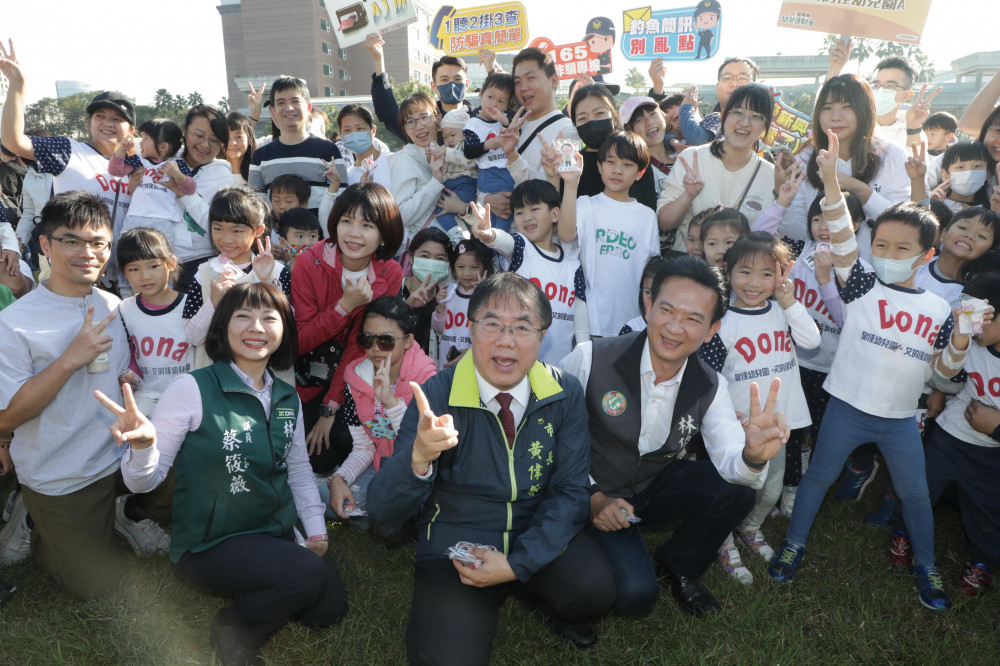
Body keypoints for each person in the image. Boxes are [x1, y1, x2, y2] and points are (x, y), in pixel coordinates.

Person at [367, 272, 617, 661]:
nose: (506, 340)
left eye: (522, 328)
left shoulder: (564, 391)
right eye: (493, 325)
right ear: (469, 328)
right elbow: (382, 510)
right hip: (459, 542)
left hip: (533, 529)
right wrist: (418, 458)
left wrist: (518, 564)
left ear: (543, 334)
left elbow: (570, 490)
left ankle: (529, 589)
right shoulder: (438, 393)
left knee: (594, 587)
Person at [769, 130, 967, 611]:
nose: (888, 255)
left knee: (916, 496)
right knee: (818, 477)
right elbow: (838, 228)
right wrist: (832, 180)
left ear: (926, 256)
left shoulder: (942, 311)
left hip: (900, 419)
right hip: (846, 407)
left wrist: (960, 341)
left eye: (903, 249)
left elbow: (943, 375)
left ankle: (927, 565)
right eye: (880, 244)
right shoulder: (860, 285)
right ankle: (794, 544)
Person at [104, 282, 348, 665]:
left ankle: (272, 576)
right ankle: (232, 629)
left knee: (328, 611)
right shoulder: (192, 388)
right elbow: (142, 482)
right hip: (209, 544)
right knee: (306, 577)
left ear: (284, 329)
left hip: (274, 532)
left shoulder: (287, 398)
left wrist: (316, 531)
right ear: (223, 326)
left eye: (269, 317)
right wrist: (142, 446)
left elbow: (299, 470)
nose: (257, 327)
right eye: (243, 316)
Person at [559, 256, 789, 617]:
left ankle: (680, 563)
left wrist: (754, 455)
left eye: (694, 319)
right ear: (649, 305)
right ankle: (582, 540)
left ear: (712, 329)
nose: (675, 328)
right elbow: (551, 436)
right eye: (667, 310)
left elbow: (733, 461)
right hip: (589, 488)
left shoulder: (711, 385)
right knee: (633, 598)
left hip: (653, 486)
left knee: (737, 490)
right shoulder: (589, 359)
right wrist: (593, 498)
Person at [0, 192, 170, 599]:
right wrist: (68, 360)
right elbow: (5, 417)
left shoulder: (112, 303)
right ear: (45, 244)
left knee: (201, 470)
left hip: (118, 456)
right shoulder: (15, 323)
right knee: (97, 588)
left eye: (99, 243)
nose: (88, 253)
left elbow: (122, 376)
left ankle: (123, 512)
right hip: (62, 474)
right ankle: (33, 518)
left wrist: (130, 381)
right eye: (72, 241)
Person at [697, 232, 820, 583]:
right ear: (728, 270)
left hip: (776, 426)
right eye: (745, 272)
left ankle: (750, 527)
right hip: (737, 428)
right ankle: (723, 541)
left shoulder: (783, 310)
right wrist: (721, 414)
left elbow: (812, 340)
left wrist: (789, 299)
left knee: (770, 487)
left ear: (781, 275)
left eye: (767, 274)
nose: (754, 283)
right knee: (730, 490)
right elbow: (709, 376)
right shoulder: (721, 320)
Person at [888, 272, 1000, 597]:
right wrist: (940, 388)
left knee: (988, 508)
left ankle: (982, 562)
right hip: (951, 437)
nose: (971, 325)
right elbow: (947, 374)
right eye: (966, 314)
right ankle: (902, 531)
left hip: (991, 453)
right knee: (921, 486)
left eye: (980, 317)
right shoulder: (972, 340)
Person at [293, 183, 404, 473]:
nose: (353, 234)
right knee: (317, 455)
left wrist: (331, 405)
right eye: (346, 221)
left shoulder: (390, 272)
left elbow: (362, 344)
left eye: (367, 225)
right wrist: (344, 307)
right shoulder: (309, 262)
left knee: (345, 439)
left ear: (384, 234)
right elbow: (300, 340)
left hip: (355, 377)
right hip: (306, 376)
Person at [1, 42, 134, 238]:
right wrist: (17, 86)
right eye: (100, 116)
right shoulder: (69, 150)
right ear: (88, 121)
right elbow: (14, 142)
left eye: (117, 119)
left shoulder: (139, 163)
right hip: (79, 263)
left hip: (128, 265)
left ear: (131, 129)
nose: (107, 123)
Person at [324, 297, 437, 524]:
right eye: (367, 339)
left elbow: (425, 446)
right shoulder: (354, 380)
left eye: (386, 340)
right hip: (381, 468)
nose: (375, 348)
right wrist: (339, 479)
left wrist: (391, 402)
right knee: (327, 499)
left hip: (420, 473)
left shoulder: (427, 378)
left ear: (408, 341)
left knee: (383, 510)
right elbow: (365, 447)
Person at [778, 75, 911, 263]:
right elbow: (797, 231)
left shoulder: (892, 156)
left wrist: (860, 189)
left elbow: (903, 224)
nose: (835, 117)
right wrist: (782, 194)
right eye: (827, 108)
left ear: (865, 110)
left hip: (873, 272)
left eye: (847, 107)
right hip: (818, 275)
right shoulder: (806, 157)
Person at [557, 131, 660, 337]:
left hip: (632, 322)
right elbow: (566, 235)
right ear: (599, 166)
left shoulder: (647, 216)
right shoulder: (586, 205)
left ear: (640, 173)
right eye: (611, 162)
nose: (617, 170)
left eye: (628, 165)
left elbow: (652, 273)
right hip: (590, 321)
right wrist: (570, 183)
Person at [474, 180, 588, 364]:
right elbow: (503, 241)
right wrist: (488, 234)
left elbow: (580, 308)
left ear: (555, 214)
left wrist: (585, 350)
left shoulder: (571, 261)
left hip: (561, 368)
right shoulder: (521, 246)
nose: (526, 217)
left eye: (534, 209)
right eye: (519, 213)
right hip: (517, 364)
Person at [657, 84, 780, 254]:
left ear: (765, 127)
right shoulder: (693, 158)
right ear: (723, 117)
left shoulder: (772, 175)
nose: (745, 123)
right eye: (737, 112)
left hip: (740, 276)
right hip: (690, 270)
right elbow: (664, 222)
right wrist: (688, 195)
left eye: (756, 116)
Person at [182, 186, 289, 372]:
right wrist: (213, 302)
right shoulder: (204, 273)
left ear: (258, 230)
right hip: (217, 379)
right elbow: (192, 337)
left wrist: (266, 285)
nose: (226, 239)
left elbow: (289, 327)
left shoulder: (277, 272)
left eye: (237, 231)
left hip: (267, 376)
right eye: (218, 228)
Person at [116, 227, 195, 417]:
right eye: (134, 269)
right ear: (124, 273)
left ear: (171, 263)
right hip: (146, 398)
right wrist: (129, 375)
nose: (145, 276)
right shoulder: (125, 309)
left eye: (153, 266)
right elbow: (131, 354)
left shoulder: (190, 305)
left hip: (189, 395)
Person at [493, 47, 579, 214]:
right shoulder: (515, 126)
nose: (523, 87)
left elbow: (550, 190)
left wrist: (512, 156)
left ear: (553, 81)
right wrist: (487, 198)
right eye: (517, 82)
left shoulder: (568, 132)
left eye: (531, 78)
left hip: (540, 235)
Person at [164, 105, 238, 291]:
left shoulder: (223, 177)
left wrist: (184, 193)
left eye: (214, 140)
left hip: (202, 264)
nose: (205, 145)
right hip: (157, 263)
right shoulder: (161, 162)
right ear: (185, 131)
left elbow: (218, 226)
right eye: (198, 136)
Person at [248, 76, 345, 213]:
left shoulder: (329, 151)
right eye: (281, 103)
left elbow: (342, 202)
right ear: (272, 111)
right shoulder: (260, 157)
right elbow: (256, 208)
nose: (289, 108)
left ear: (308, 108)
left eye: (295, 101)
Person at [825, 45, 939, 151]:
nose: (880, 90)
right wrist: (835, 69)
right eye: (876, 84)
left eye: (890, 86)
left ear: (906, 95)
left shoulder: (912, 131)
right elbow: (826, 107)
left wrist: (912, 127)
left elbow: (914, 168)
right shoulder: (854, 123)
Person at [366, 33, 472, 145]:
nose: (452, 84)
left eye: (457, 79)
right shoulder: (425, 121)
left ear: (467, 84)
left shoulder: (480, 117)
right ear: (433, 86)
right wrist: (379, 60)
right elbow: (388, 112)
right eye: (445, 80)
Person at [109, 119, 194, 253]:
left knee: (160, 258)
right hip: (134, 218)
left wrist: (177, 175)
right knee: (126, 255)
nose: (140, 142)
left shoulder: (176, 164)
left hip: (163, 221)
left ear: (163, 147)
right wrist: (121, 150)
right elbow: (115, 171)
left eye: (145, 139)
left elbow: (190, 189)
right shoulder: (139, 159)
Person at [388, 93, 449, 244]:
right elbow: (400, 216)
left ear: (437, 118)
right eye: (411, 122)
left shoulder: (450, 153)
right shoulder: (405, 159)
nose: (419, 127)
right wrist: (435, 182)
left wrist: (463, 209)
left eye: (424, 117)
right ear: (405, 129)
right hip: (426, 251)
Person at [464, 72, 517, 232]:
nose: (494, 104)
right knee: (505, 215)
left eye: (501, 101)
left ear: (508, 105)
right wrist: (491, 143)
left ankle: (493, 248)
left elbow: (517, 128)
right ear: (481, 94)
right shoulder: (473, 123)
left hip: (507, 171)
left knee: (495, 217)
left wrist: (504, 121)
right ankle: (499, 248)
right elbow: (469, 151)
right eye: (490, 97)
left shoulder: (506, 121)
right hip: (491, 173)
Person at [433, 237, 494, 369]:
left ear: (485, 269)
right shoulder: (448, 292)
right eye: (461, 267)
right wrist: (440, 308)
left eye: (474, 267)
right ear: (453, 268)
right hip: (446, 362)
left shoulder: (489, 296)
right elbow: (438, 329)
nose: (467, 273)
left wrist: (483, 292)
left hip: (475, 363)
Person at [676, 57, 759, 146]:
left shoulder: (769, 123)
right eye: (727, 78)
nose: (734, 84)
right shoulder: (715, 119)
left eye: (742, 78)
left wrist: (687, 108)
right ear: (717, 87)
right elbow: (696, 139)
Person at [337, 104, 391, 188]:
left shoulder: (392, 161)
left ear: (373, 130)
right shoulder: (348, 178)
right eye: (347, 130)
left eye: (359, 128)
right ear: (341, 134)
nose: (353, 134)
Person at [225, 112, 257, 186]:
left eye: (239, 136)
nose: (233, 143)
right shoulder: (212, 174)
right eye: (226, 137)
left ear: (249, 139)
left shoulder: (258, 174)